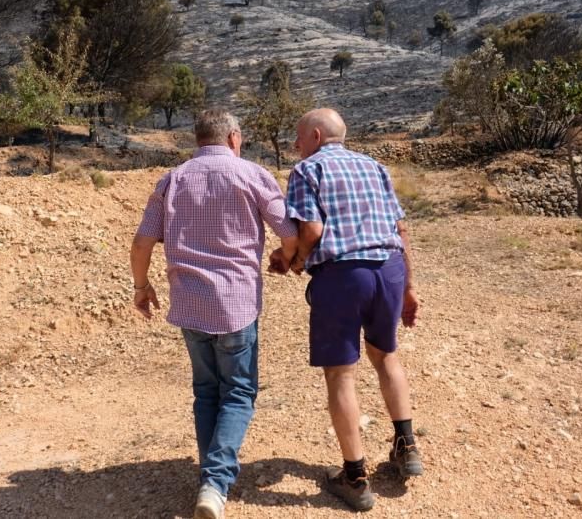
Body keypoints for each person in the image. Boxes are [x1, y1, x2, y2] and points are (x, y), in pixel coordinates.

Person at [130, 108, 298, 519]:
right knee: (238, 392)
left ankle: (211, 480)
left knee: (206, 391)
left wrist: (141, 287)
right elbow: (289, 232)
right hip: (236, 305)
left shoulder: (173, 179)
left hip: (189, 305)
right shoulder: (252, 175)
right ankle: (216, 483)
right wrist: (285, 257)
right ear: (234, 138)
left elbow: (141, 242)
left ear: (198, 139)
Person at [276, 107, 422, 512]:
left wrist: (300, 260)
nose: (295, 145)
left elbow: (313, 230)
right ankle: (406, 447)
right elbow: (400, 229)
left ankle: (355, 478)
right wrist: (409, 287)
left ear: (317, 137)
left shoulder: (307, 171)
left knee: (341, 375)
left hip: (343, 277)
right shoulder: (375, 167)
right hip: (388, 271)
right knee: (386, 357)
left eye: (299, 137)